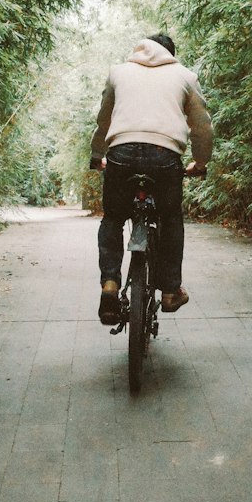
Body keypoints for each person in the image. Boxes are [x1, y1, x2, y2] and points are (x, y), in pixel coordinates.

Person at [89, 33, 213, 326]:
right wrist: (201, 162)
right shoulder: (184, 76)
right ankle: (170, 291)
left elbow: (104, 120)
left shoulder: (118, 72)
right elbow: (202, 127)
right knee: (170, 217)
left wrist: (97, 156)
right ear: (171, 54)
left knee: (114, 218)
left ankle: (109, 282)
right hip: (164, 157)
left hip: (121, 154)